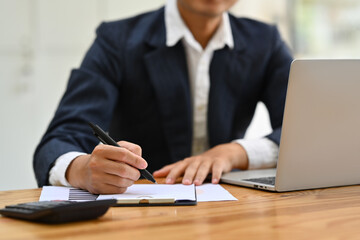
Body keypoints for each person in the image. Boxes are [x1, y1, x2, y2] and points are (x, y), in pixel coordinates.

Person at [34, 0, 293, 194]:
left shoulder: (265, 41)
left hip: (228, 205)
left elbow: (305, 130)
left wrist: (234, 153)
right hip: (138, 210)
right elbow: (59, 140)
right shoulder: (117, 41)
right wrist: (82, 170)